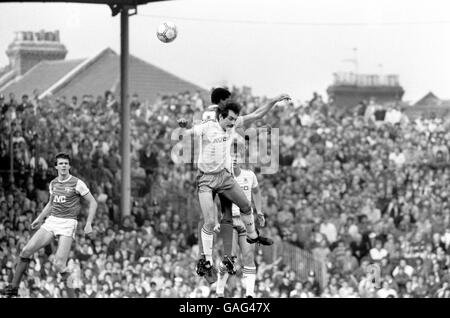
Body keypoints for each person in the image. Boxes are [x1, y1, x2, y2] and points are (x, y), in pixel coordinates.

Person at [178, 88, 290, 283]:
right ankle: (206, 260)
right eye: (229, 119)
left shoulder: (232, 123)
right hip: (206, 178)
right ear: (221, 113)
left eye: (234, 120)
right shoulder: (208, 124)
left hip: (224, 175)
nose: (232, 123)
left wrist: (274, 100)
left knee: (244, 207)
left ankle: (251, 238)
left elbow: (256, 114)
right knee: (212, 221)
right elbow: (190, 128)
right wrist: (183, 125)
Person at [1, 153, 98, 298]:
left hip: (68, 222)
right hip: (52, 220)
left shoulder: (77, 183)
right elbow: (51, 204)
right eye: (61, 163)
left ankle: (72, 295)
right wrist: (40, 218)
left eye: (66, 163)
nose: (64, 166)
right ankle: (13, 287)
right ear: (56, 166)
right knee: (26, 251)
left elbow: (93, 202)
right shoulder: (53, 183)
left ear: (69, 166)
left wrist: (89, 223)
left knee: (59, 265)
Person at [216, 155, 265, 298]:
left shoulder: (250, 175)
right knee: (230, 258)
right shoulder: (222, 177)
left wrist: (259, 210)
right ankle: (220, 290)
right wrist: (214, 220)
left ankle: (250, 294)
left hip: (247, 221)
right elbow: (213, 200)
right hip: (229, 220)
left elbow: (256, 191)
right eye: (232, 157)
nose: (235, 159)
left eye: (237, 157)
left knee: (249, 256)